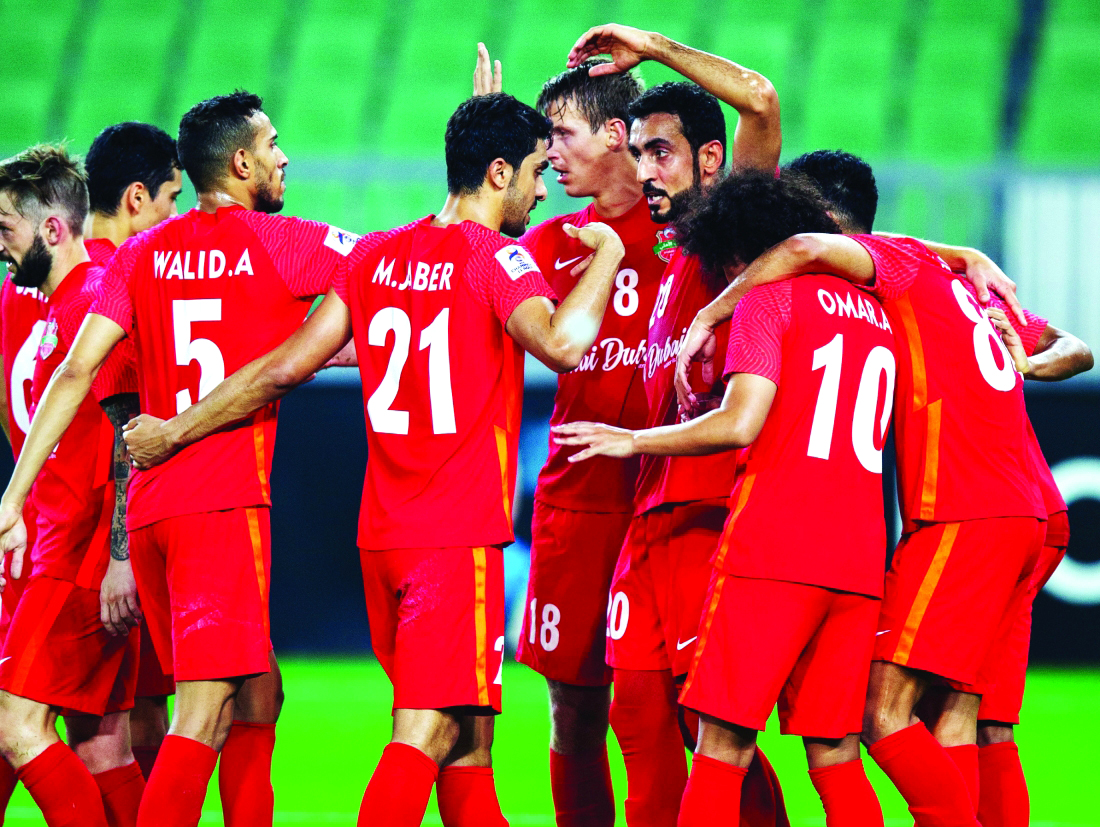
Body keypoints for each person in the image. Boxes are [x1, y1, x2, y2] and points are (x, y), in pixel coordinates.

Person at [116, 91, 627, 827]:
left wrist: (175, 430)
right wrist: (607, 255)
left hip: (384, 541)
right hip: (454, 540)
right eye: (534, 172)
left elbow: (284, 366)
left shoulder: (378, 256)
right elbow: (565, 344)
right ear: (498, 173)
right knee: (424, 732)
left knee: (468, 747)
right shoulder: (498, 258)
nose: (542, 191)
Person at [0, 91, 362, 827]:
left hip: (153, 517)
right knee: (201, 715)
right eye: (273, 144)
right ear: (241, 163)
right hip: (219, 503)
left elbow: (75, 373)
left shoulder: (138, 255)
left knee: (253, 693)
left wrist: (12, 494)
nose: (284, 157)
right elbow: (399, 265)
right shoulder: (279, 241)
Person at [675, 182, 1048, 827]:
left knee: (762, 736)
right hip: (891, 546)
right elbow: (1073, 346)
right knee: (881, 735)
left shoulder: (822, 288)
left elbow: (742, 420)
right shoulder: (900, 299)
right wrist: (971, 264)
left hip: (883, 524)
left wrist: (709, 316)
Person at [554, 169, 893, 826]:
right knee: (836, 756)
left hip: (776, 548)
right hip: (858, 558)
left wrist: (633, 440)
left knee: (719, 747)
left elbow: (740, 422)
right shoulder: (876, 312)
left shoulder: (767, 303)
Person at [783, 150, 1093, 827]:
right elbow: (1080, 348)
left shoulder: (886, 271)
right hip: (1034, 510)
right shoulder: (962, 285)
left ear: (829, 222)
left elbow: (813, 248)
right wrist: (1030, 362)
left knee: (881, 708)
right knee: (967, 715)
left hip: (965, 510)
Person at [561, 23, 786, 827]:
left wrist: (653, 48)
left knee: (712, 733)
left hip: (709, 522)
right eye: (638, 153)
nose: (644, 170)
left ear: (711, 160)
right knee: (637, 721)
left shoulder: (735, 238)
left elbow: (760, 102)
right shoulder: (675, 262)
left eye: (661, 152)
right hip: (646, 525)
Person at [0, 144, 142, 827]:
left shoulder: (95, 300)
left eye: (6, 228)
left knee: (15, 723)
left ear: (52, 229)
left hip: (81, 555)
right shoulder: (56, 304)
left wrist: (119, 555)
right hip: (58, 544)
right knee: (100, 740)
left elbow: (129, 434)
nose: (1, 245)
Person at [84, 120, 184, 783]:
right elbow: (128, 429)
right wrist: (120, 557)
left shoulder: (40, 285)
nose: (176, 215)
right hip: (112, 538)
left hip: (59, 532)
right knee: (130, 722)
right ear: (137, 198)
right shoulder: (120, 284)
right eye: (172, 198)